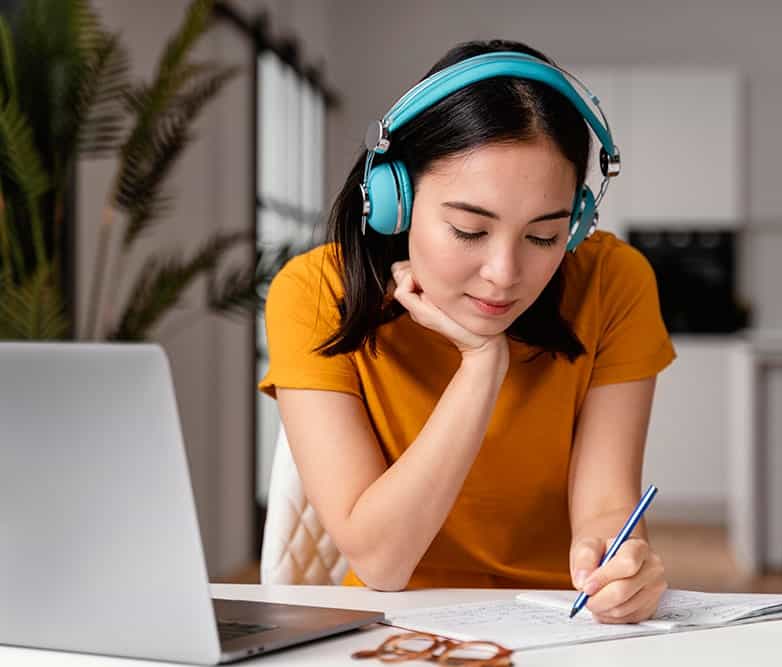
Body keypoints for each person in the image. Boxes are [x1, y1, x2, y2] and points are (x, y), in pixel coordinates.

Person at [258, 39, 676, 624]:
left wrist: (618, 561)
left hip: (564, 621)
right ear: (392, 202)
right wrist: (481, 363)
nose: (504, 276)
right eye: (468, 230)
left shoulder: (613, 281)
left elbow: (607, 505)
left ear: (577, 224)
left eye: (543, 237)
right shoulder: (313, 294)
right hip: (392, 625)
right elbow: (382, 562)